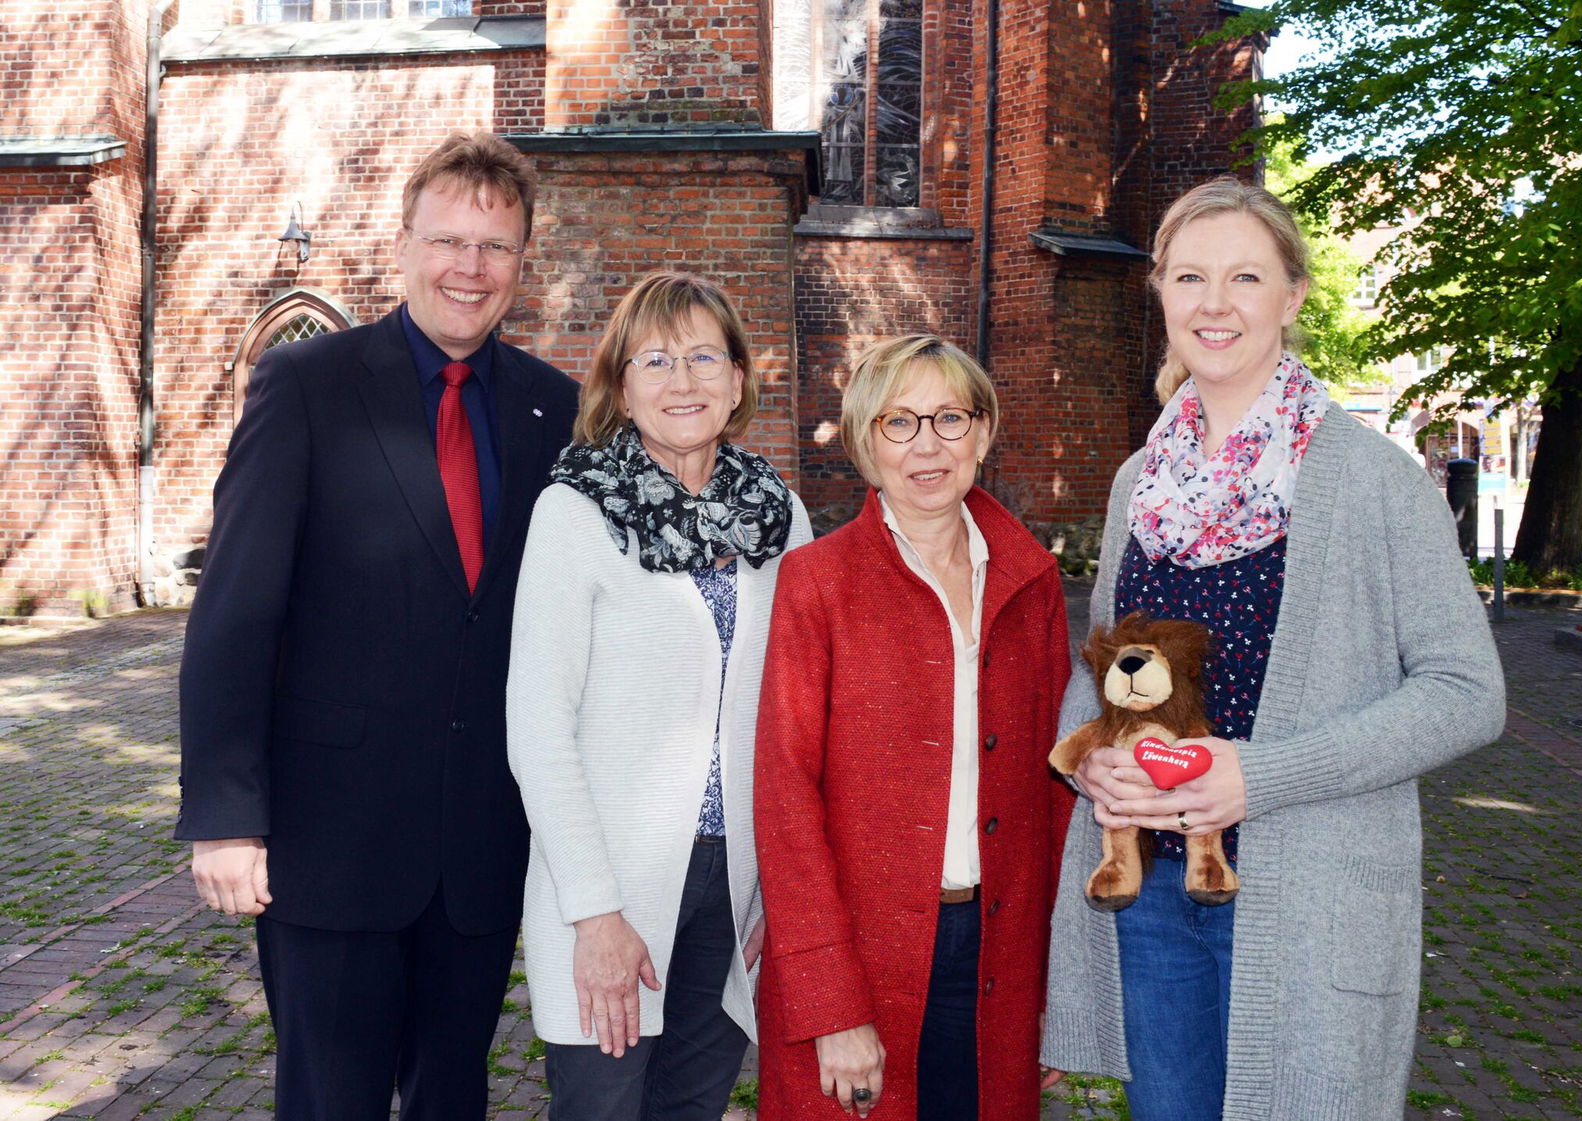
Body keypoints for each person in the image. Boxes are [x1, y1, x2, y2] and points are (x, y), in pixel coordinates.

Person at [1039, 177, 1506, 1120]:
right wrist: (1092, 758)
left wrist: (1261, 775)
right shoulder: (1143, 478)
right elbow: (1113, 660)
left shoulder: (1374, 480)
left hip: (1303, 900)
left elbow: (1467, 691)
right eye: (1190, 277)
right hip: (1155, 894)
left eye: (1245, 277)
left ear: (1291, 297)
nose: (1215, 304)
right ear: (1161, 294)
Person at [176, 131, 579, 1120]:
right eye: (447, 240)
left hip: (481, 840)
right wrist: (227, 809)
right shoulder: (308, 384)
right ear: (401, 243)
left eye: (495, 247)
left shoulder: (552, 408)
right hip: (331, 837)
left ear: (522, 262)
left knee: (452, 1098)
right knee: (330, 1100)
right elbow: (235, 606)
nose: (468, 268)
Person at [505, 272, 812, 1121]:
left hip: (735, 884)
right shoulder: (576, 511)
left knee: (693, 1107)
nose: (684, 381)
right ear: (621, 385)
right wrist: (596, 913)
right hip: (612, 883)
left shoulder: (779, 517)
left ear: (740, 380)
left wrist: (781, 894)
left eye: (705, 356)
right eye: (658, 359)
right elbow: (538, 726)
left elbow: (798, 719)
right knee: (603, 1108)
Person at [754, 335, 1073, 1121]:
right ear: (867, 443)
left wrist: (1060, 991)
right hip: (861, 954)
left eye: (949, 418)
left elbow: (1061, 797)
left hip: (1000, 953)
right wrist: (831, 1006)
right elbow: (785, 799)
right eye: (899, 422)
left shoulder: (1033, 583)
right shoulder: (817, 583)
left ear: (984, 433)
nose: (927, 444)